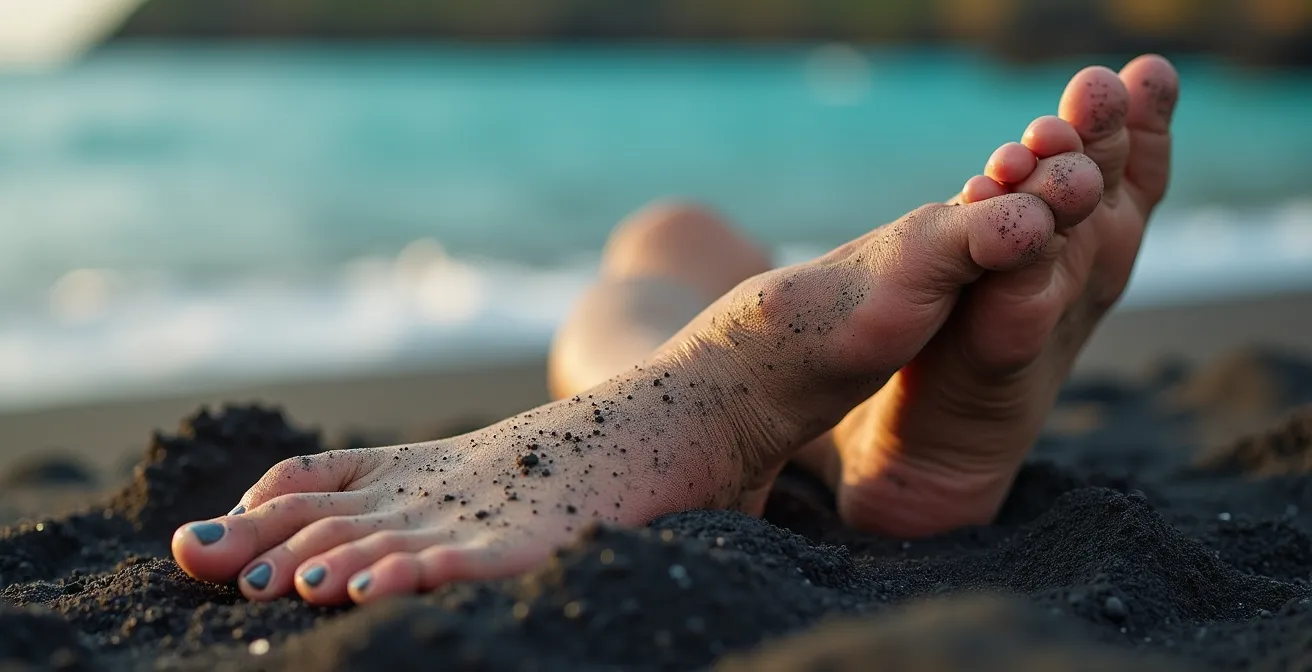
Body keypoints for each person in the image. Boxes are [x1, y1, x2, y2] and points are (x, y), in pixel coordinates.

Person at [171, 55, 1178, 606]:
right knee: (680, 235)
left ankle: (710, 389)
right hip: (800, 317)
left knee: (664, 238)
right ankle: (811, 420)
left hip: (739, 320)